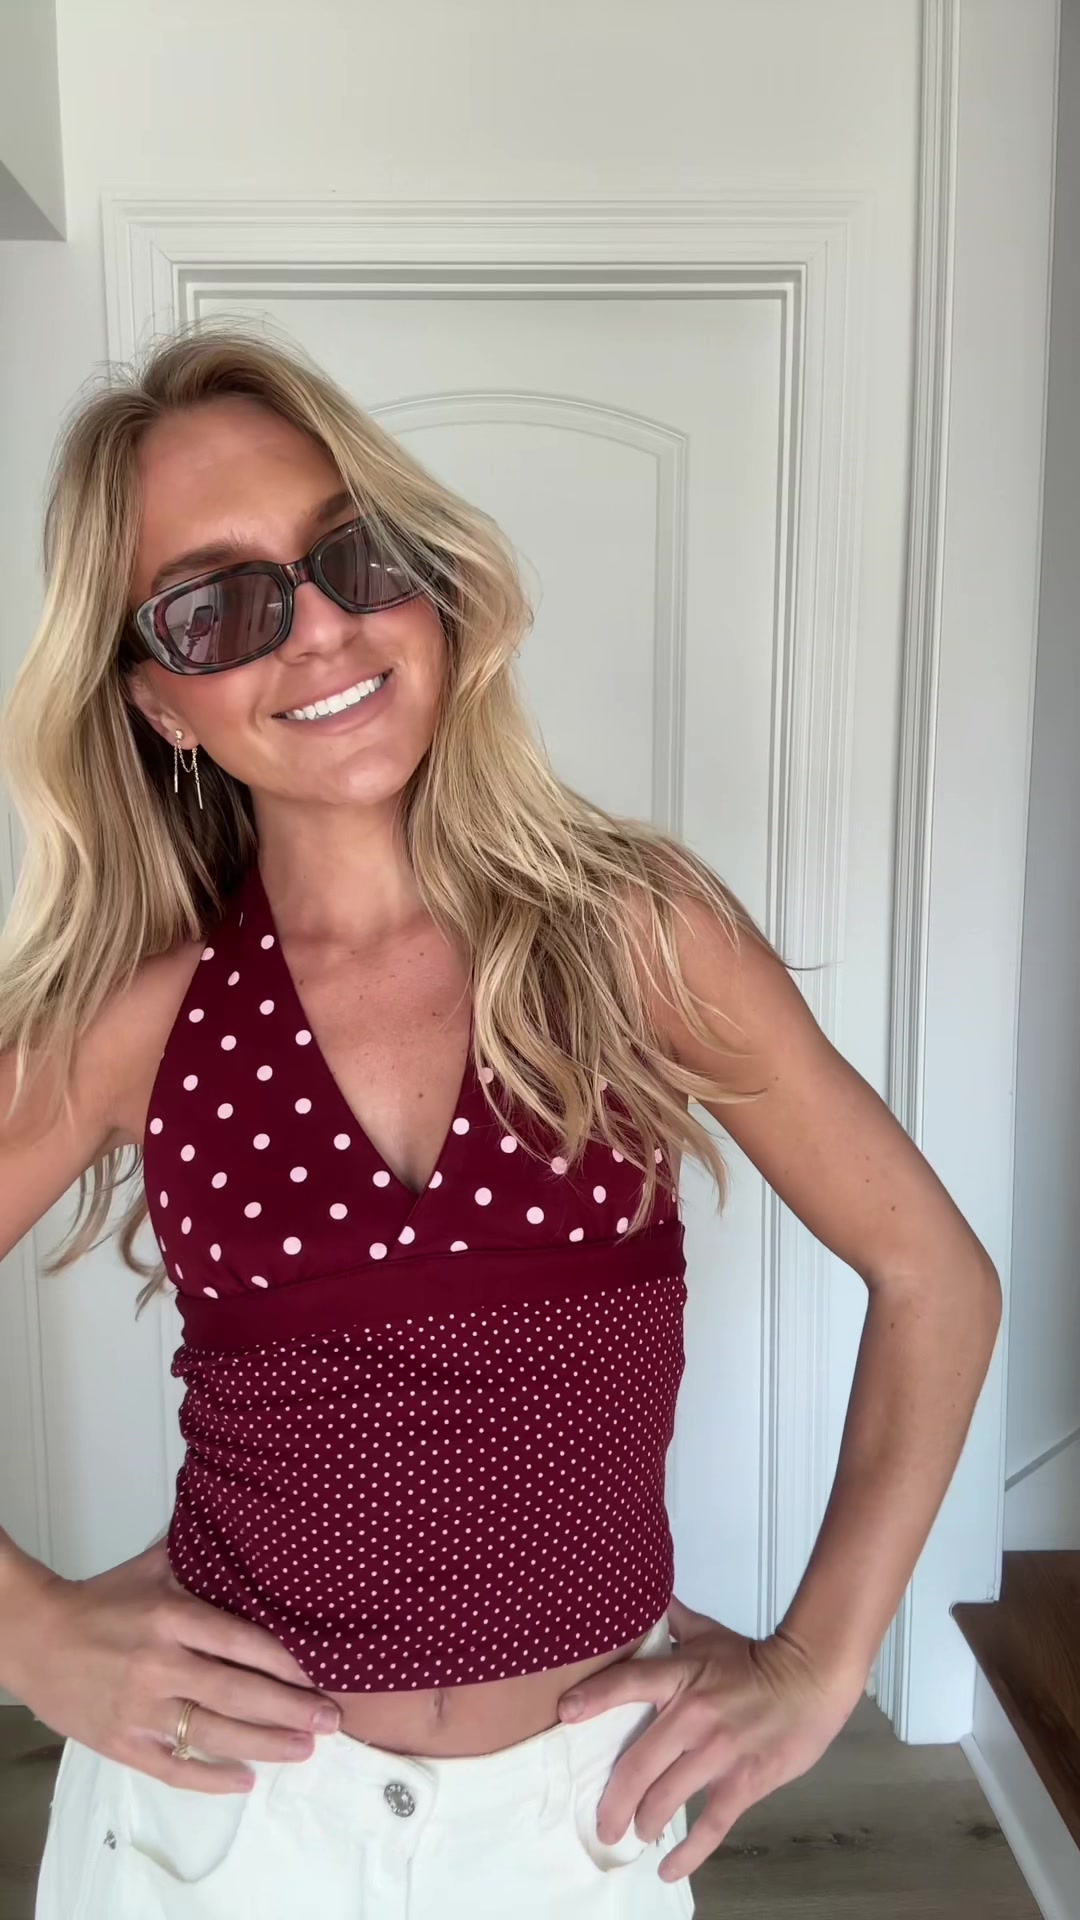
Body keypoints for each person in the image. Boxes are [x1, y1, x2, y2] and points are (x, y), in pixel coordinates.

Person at [0, 323, 1001, 1920]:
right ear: (161, 704)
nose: (319, 627)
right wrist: (29, 1633)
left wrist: (822, 1661)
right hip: (230, 1829)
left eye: (354, 556)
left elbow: (937, 1276)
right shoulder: (152, 1014)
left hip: (575, 1820)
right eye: (217, 607)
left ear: (433, 589)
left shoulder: (633, 941)